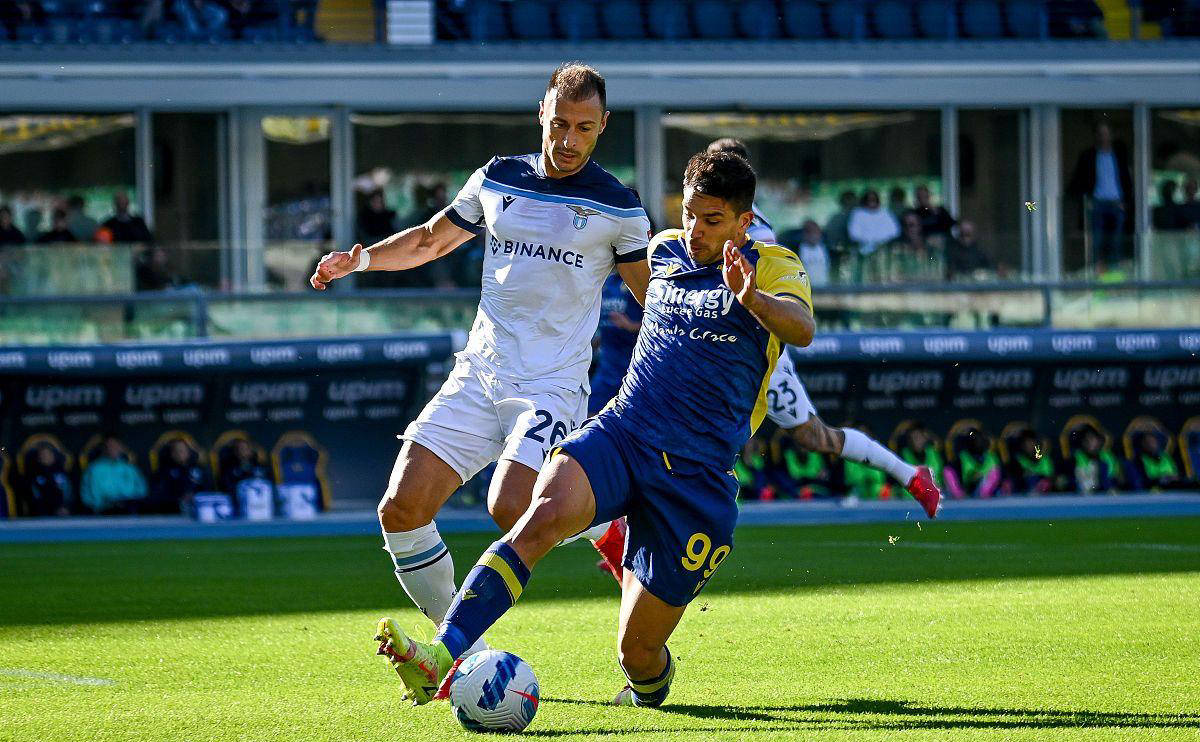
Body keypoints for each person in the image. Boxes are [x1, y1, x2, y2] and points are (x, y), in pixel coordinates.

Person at [374, 149, 818, 707]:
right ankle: (443, 656)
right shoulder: (664, 252)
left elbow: (801, 329)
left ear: (743, 221)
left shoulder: (773, 265)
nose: (697, 231)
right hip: (624, 433)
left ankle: (645, 684)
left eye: (713, 221)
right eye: (689, 214)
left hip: (696, 473)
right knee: (536, 516)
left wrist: (750, 296)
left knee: (638, 656)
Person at [311, 63, 651, 692]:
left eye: (583, 128)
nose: (568, 140)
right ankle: (461, 654)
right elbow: (430, 241)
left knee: (510, 504)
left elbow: (654, 296)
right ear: (540, 115)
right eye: (558, 124)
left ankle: (613, 529)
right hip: (476, 376)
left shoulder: (620, 209)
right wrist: (358, 259)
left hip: (550, 387)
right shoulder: (497, 177)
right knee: (400, 509)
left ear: (603, 127)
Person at [703, 140, 940, 511]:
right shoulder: (709, 220)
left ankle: (910, 474)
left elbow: (761, 293)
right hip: (719, 349)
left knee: (815, 436)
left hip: (755, 356)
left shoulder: (755, 231)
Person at [1068, 122, 1133, 269]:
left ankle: (1114, 272)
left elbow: (1126, 179)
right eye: (1100, 134)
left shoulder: (1119, 156)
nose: (1104, 137)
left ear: (1111, 135)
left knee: (1116, 240)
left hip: (1117, 202)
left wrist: (1126, 201)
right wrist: (1086, 199)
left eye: (1106, 134)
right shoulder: (1089, 156)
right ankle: (1096, 270)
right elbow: (1079, 179)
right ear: (1096, 136)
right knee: (1096, 240)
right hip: (1097, 202)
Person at [589, 269, 643, 417]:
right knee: (589, 416)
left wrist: (632, 326)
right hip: (607, 366)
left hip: (634, 368)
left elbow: (662, 323)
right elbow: (605, 323)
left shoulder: (641, 278)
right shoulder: (607, 282)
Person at [80, 436, 148, 514]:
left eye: (116, 446)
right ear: (104, 449)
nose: (113, 449)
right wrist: (103, 506)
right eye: (110, 446)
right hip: (104, 512)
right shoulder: (94, 469)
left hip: (130, 510)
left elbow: (142, 491)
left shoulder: (130, 468)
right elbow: (90, 498)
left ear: (122, 448)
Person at [150, 438, 212, 513]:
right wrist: (179, 498)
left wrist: (195, 496)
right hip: (172, 512)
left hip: (200, 510)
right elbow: (159, 494)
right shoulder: (163, 472)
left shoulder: (198, 469)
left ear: (188, 452)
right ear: (171, 453)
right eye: (176, 451)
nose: (179, 454)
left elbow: (208, 490)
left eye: (183, 450)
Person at [20, 444, 72, 517]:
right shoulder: (33, 475)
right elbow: (33, 496)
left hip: (62, 511)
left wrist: (65, 507)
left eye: (49, 454)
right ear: (38, 458)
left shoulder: (62, 473)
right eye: (43, 455)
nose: (46, 457)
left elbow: (68, 493)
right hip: (41, 513)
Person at [848, 189, 900, 260]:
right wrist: (869, 242)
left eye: (874, 199)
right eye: (869, 199)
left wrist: (881, 242)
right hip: (864, 252)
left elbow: (894, 231)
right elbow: (854, 234)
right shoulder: (858, 213)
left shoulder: (885, 213)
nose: (872, 201)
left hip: (885, 251)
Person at [1005, 428, 1054, 495]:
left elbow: (1049, 476)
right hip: (1022, 495)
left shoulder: (1044, 459)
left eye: (1031, 442)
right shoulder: (1018, 460)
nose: (1029, 445)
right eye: (1025, 443)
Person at [795, 219, 830, 286]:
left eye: (816, 232)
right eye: (810, 233)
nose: (814, 236)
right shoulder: (797, 250)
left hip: (824, 288)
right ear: (805, 234)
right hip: (805, 288)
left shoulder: (825, 248)